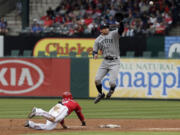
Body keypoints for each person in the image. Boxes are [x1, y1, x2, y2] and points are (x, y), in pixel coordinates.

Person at [93, 12, 124, 104]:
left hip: (115, 61)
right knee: (97, 79)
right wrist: (95, 54)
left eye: (107, 27)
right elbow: (95, 49)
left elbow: (121, 30)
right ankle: (100, 93)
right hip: (105, 61)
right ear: (101, 30)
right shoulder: (98, 39)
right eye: (104, 28)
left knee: (112, 83)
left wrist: (121, 22)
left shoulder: (113, 34)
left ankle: (111, 91)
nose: (107, 29)